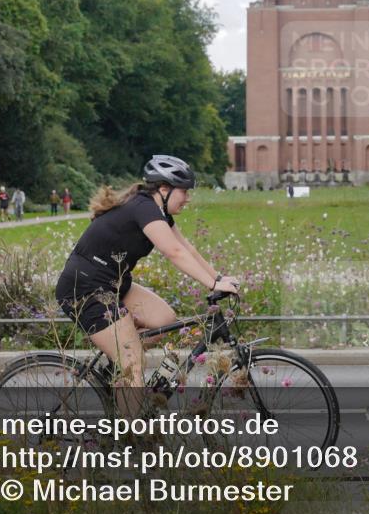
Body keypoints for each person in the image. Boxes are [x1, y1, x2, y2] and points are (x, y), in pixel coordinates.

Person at [54, 155, 239, 409]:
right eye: (184, 191)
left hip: (113, 284)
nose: (187, 198)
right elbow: (173, 252)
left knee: (164, 319)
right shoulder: (143, 208)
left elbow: (187, 249)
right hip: (84, 287)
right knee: (132, 362)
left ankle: (117, 368)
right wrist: (213, 285)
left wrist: (217, 278)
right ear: (164, 189)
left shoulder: (157, 212)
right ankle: (131, 429)